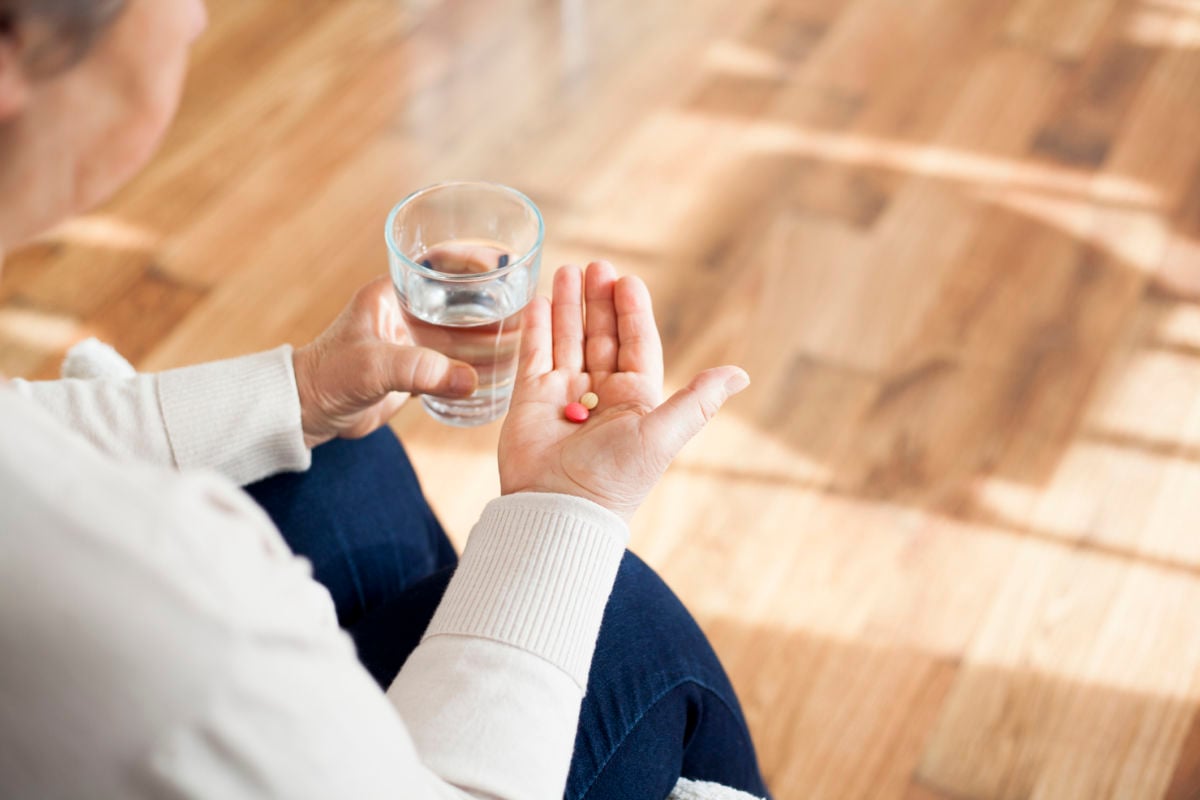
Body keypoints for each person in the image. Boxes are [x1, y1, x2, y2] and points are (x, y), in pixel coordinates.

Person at [0, 1, 770, 798]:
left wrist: (298, 392)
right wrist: (566, 507)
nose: (198, 14)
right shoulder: (178, 613)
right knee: (624, 622)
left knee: (338, 462)